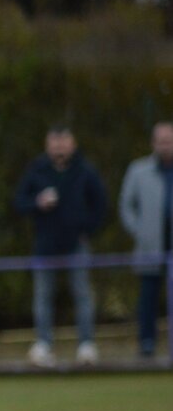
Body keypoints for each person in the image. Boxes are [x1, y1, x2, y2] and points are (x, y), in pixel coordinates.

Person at [13, 126, 108, 367]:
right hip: (45, 245)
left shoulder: (85, 170)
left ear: (72, 144)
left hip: (76, 244)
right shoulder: (37, 170)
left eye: (63, 142)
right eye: (54, 143)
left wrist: (86, 229)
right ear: (47, 145)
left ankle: (86, 345)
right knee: (43, 296)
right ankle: (44, 344)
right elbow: (19, 201)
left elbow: (101, 205)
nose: (59, 148)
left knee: (83, 294)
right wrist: (37, 202)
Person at [118, 121, 173, 359]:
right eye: (161, 141)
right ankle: (147, 342)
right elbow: (126, 206)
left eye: (169, 141)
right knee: (148, 299)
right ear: (153, 143)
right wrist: (140, 231)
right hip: (150, 246)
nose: (165, 146)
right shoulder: (138, 170)